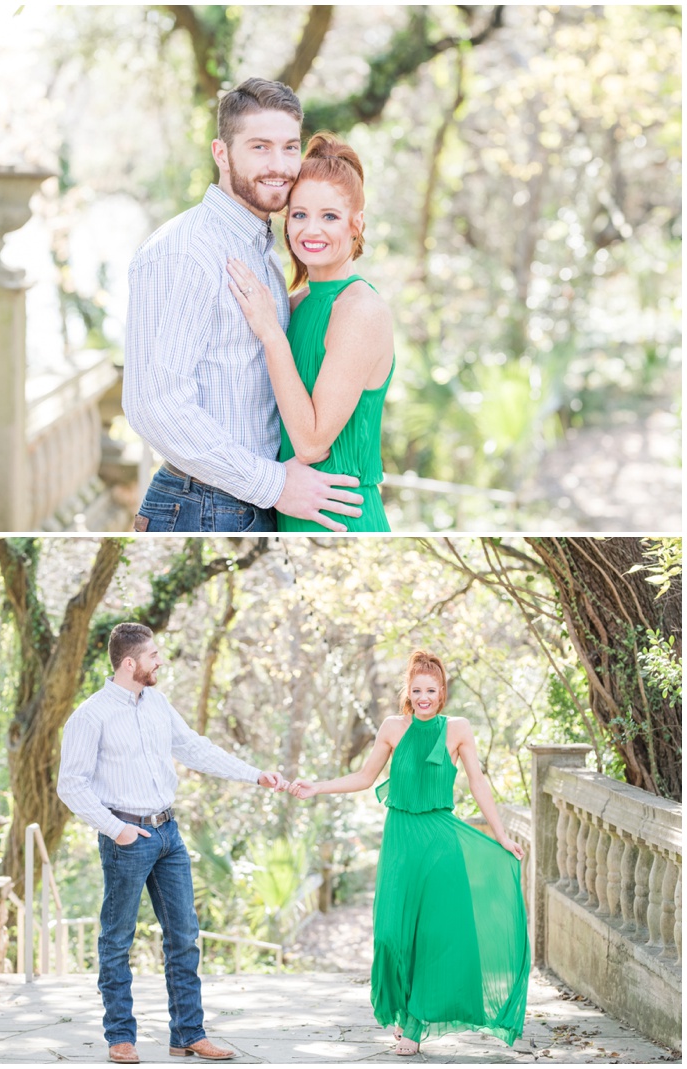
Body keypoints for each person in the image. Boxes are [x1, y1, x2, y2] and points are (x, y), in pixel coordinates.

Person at [123, 77, 363, 533]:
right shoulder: (185, 252)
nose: (280, 166)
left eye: (290, 148)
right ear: (221, 153)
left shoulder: (266, 257)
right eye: (259, 147)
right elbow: (154, 404)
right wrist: (274, 485)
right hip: (204, 508)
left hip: (248, 504)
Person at [57, 622, 288, 1064]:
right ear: (130, 663)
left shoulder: (158, 703)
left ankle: (188, 1034)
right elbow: (71, 784)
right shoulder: (91, 715)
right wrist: (115, 828)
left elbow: (195, 748)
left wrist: (254, 775)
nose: (160, 661)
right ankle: (120, 1037)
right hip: (127, 837)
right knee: (117, 940)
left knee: (184, 936)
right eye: (153, 656)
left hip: (169, 835)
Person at [288, 649, 530, 1055]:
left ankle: (414, 1025)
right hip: (401, 839)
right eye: (416, 689)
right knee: (389, 936)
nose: (423, 697)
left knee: (432, 936)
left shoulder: (458, 729)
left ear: (442, 692)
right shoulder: (391, 728)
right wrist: (318, 786)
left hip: (440, 843)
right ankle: (401, 1012)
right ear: (408, 691)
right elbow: (365, 777)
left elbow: (478, 784)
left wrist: (502, 836)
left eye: (431, 690)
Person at [226, 131, 394, 532]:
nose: (311, 230)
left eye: (329, 216)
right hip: (291, 510)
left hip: (342, 518)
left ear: (357, 224)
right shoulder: (297, 303)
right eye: (299, 215)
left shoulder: (361, 311)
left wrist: (271, 333)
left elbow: (312, 443)